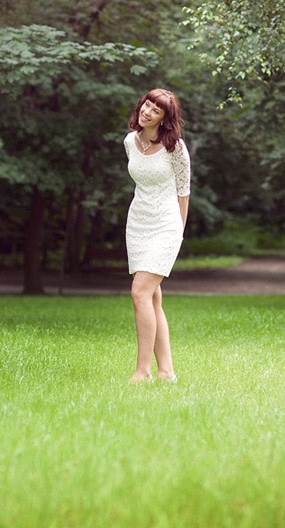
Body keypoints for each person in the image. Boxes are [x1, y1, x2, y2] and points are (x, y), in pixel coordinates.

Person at [123, 88, 191, 383]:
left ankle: (143, 371)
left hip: (166, 226)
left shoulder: (175, 149)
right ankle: (167, 371)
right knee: (152, 299)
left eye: (156, 110)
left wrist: (179, 234)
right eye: (146, 105)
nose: (147, 111)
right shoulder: (130, 142)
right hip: (138, 224)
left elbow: (183, 192)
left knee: (139, 293)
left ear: (164, 119)